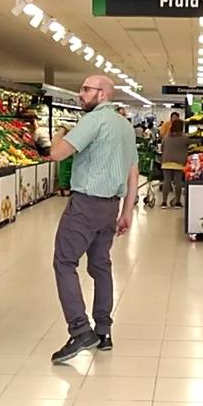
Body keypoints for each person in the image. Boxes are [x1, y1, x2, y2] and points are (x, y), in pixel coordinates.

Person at [48, 74, 139, 364]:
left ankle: (79, 330)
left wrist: (60, 133)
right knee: (101, 266)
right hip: (110, 208)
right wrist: (126, 212)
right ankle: (104, 331)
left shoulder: (92, 121)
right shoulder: (125, 126)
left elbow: (57, 154)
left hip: (85, 205)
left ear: (102, 95)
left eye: (86, 90)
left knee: (64, 262)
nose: (80, 94)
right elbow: (132, 172)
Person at [160, 119, 191, 209]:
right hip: (179, 162)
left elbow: (162, 148)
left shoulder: (166, 137)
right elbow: (191, 144)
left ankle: (164, 202)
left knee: (166, 182)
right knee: (178, 183)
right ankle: (177, 202)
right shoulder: (184, 138)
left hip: (166, 162)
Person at [55, 125, 73, 196]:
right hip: (68, 159)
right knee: (67, 172)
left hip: (64, 159)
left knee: (64, 173)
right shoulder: (70, 140)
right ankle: (65, 188)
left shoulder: (63, 139)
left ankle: (63, 188)